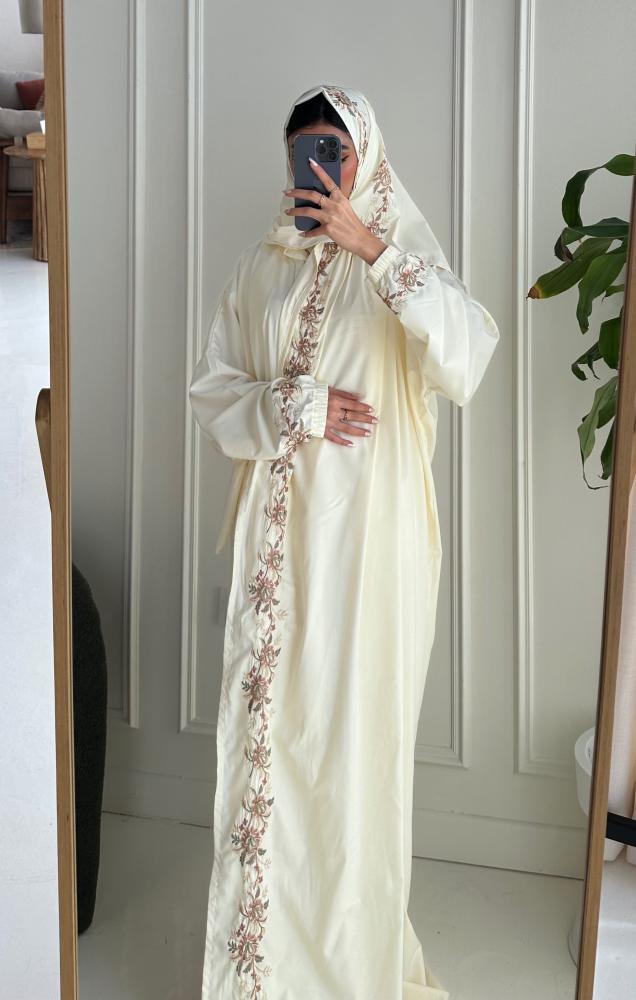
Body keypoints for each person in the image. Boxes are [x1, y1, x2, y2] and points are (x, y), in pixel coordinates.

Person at [189, 83, 500, 1000]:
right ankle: (267, 973)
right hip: (278, 549)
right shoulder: (261, 266)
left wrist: (372, 249)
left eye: (337, 152)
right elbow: (212, 391)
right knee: (278, 745)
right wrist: (295, 405)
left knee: (353, 752)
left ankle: (348, 971)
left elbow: (469, 356)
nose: (320, 172)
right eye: (305, 154)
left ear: (367, 161)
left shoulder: (404, 260)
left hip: (370, 549)